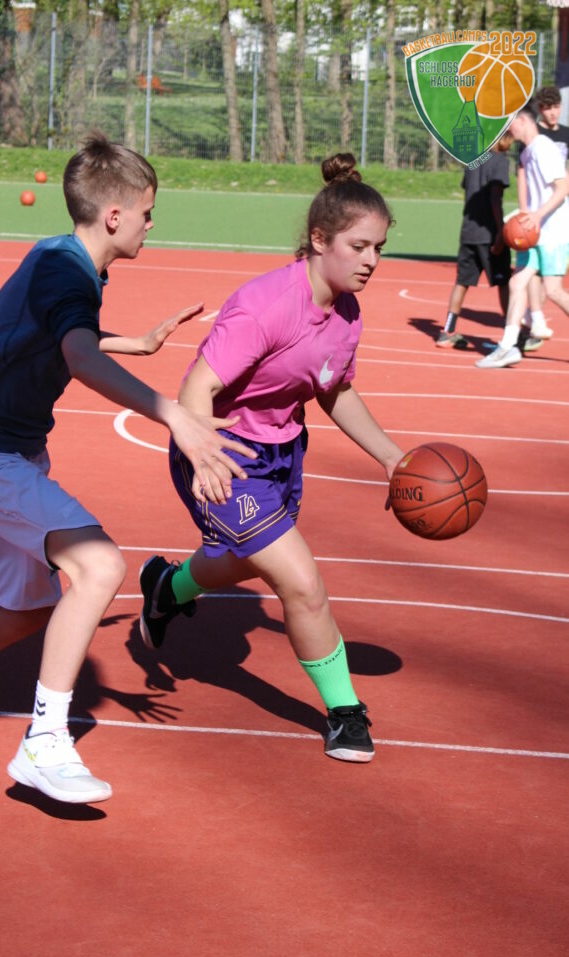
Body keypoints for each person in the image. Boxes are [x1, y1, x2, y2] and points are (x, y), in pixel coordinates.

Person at [0, 131, 255, 804]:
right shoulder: (68, 271)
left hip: (4, 447)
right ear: (114, 216)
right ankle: (45, 745)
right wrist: (174, 414)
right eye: (147, 212)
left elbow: (58, 334)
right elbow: (78, 356)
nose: (151, 223)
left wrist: (134, 343)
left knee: (27, 610)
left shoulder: (60, 258)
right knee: (100, 566)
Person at [138, 153, 405, 764]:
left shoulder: (346, 311)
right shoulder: (265, 305)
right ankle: (345, 713)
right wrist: (205, 458)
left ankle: (167, 587)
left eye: (379, 248)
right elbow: (196, 387)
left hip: (282, 452)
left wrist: (391, 457)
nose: (371, 260)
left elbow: (333, 388)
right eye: (359, 246)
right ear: (320, 239)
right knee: (301, 584)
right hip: (222, 450)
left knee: (247, 561)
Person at [476, 102, 569, 368]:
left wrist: (537, 215)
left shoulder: (544, 148)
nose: (508, 129)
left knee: (554, 291)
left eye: (510, 123)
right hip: (535, 232)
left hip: (553, 232)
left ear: (522, 120)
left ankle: (510, 344)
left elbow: (563, 188)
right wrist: (524, 216)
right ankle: (508, 347)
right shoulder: (528, 152)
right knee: (517, 283)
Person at [436, 137, 512, 348]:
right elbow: (495, 198)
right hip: (489, 233)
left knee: (462, 282)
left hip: (468, 232)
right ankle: (512, 332)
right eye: (509, 137)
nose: (511, 142)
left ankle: (447, 331)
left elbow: (468, 190)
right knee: (504, 283)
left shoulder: (473, 160)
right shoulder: (500, 160)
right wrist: (500, 232)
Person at [517, 85, 569, 350]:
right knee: (529, 276)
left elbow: (564, 181)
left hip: (556, 215)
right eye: (547, 108)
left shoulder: (559, 138)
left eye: (556, 107)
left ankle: (531, 320)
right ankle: (533, 322)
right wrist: (525, 209)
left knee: (552, 287)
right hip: (539, 218)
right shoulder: (531, 137)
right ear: (539, 110)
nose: (552, 113)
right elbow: (522, 174)